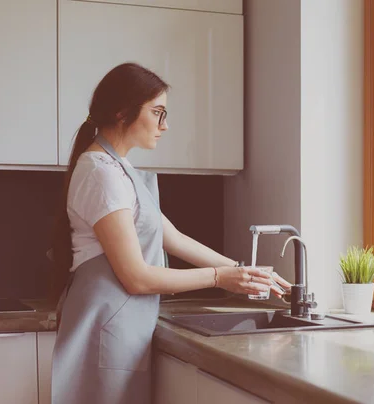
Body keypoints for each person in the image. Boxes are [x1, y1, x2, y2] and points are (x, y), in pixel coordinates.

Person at [49, 62, 291, 404]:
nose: (166, 125)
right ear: (122, 111)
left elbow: (173, 238)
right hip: (105, 329)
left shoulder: (119, 168)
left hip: (121, 327)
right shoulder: (100, 174)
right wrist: (222, 277)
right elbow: (137, 278)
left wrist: (248, 271)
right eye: (158, 112)